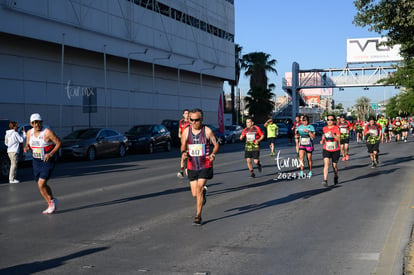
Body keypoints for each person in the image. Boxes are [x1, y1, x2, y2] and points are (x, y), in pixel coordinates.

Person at [181, 108, 219, 225]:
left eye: (196, 120)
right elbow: (182, 146)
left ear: (201, 119)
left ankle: (198, 216)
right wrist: (183, 153)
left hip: (205, 164)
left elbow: (216, 144)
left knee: (199, 188)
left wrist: (213, 154)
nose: (193, 122)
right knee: (194, 193)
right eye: (191, 120)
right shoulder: (186, 131)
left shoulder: (207, 131)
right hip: (192, 165)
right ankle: (202, 195)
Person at [24, 113, 61, 214]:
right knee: (41, 185)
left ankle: (50, 204)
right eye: (34, 123)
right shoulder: (29, 133)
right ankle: (52, 200)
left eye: (39, 122)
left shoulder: (47, 132)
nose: (37, 124)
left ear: (42, 122)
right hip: (36, 161)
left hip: (47, 161)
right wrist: (26, 147)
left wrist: (51, 154)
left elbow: (58, 143)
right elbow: (27, 143)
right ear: (31, 124)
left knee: (41, 184)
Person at [320, 114, 341, 187]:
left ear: (334, 121)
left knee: (334, 166)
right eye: (328, 119)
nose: (329, 121)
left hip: (335, 149)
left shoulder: (336, 128)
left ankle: (336, 176)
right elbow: (324, 136)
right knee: (326, 164)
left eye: (331, 120)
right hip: (326, 149)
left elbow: (339, 139)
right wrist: (322, 140)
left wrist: (333, 134)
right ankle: (325, 180)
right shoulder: (324, 128)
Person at [177, 109, 190, 178]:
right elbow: (179, 132)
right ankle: (182, 171)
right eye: (185, 113)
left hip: (190, 142)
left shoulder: (191, 121)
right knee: (183, 157)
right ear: (183, 115)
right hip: (183, 142)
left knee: (188, 157)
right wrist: (180, 136)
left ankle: (187, 170)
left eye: (188, 113)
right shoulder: (181, 122)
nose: (187, 114)